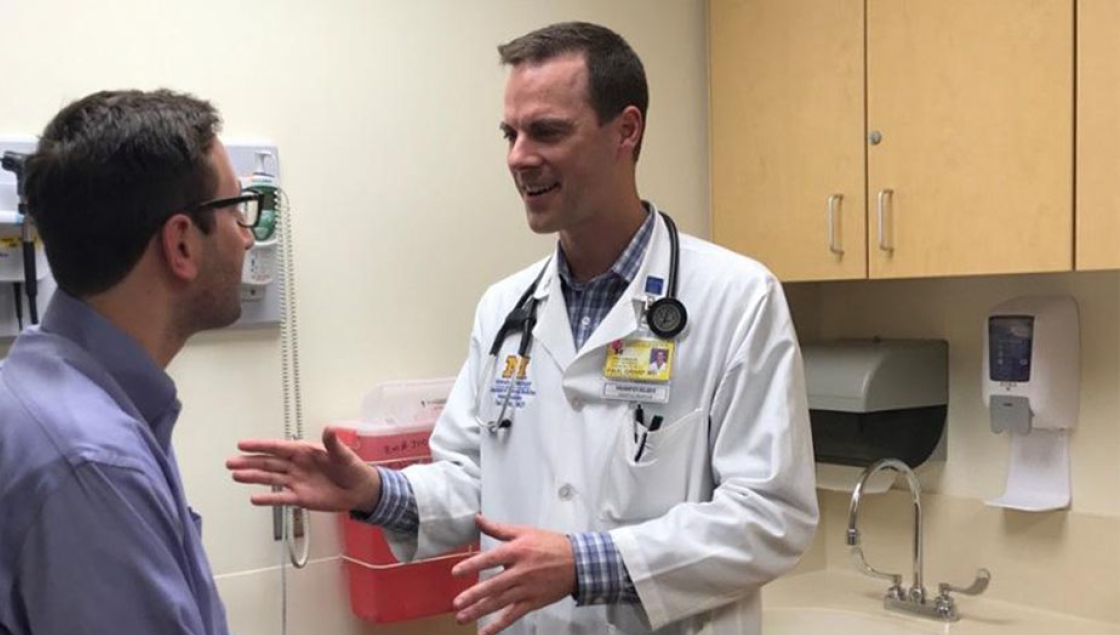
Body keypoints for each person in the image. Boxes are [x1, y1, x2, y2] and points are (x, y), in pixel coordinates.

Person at [228, 21, 817, 635]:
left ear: (627, 130)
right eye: (510, 133)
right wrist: (375, 491)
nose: (518, 156)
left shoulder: (737, 298)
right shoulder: (505, 308)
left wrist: (588, 563)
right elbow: (472, 479)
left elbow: (770, 514)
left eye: (547, 131)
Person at [0, 89, 258, 635]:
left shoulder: (22, 393)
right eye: (236, 210)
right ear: (181, 245)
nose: (249, 236)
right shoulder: (93, 463)